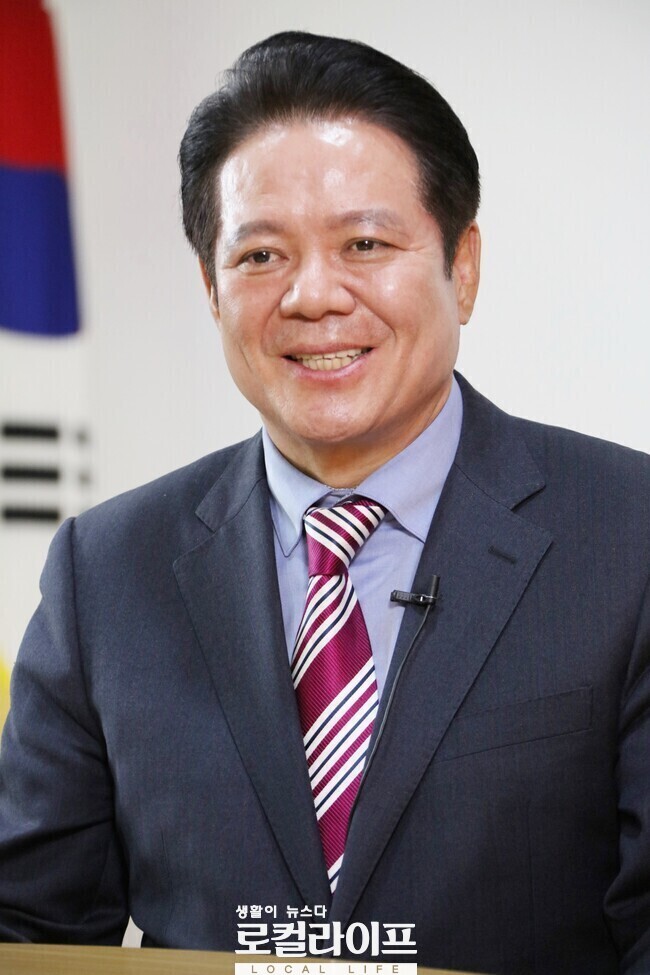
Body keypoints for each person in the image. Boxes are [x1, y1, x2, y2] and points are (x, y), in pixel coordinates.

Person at [0, 30, 648, 975]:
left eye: (365, 244)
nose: (312, 296)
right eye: (261, 255)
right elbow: (27, 932)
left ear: (463, 266)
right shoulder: (104, 573)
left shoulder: (628, 537)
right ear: (210, 287)